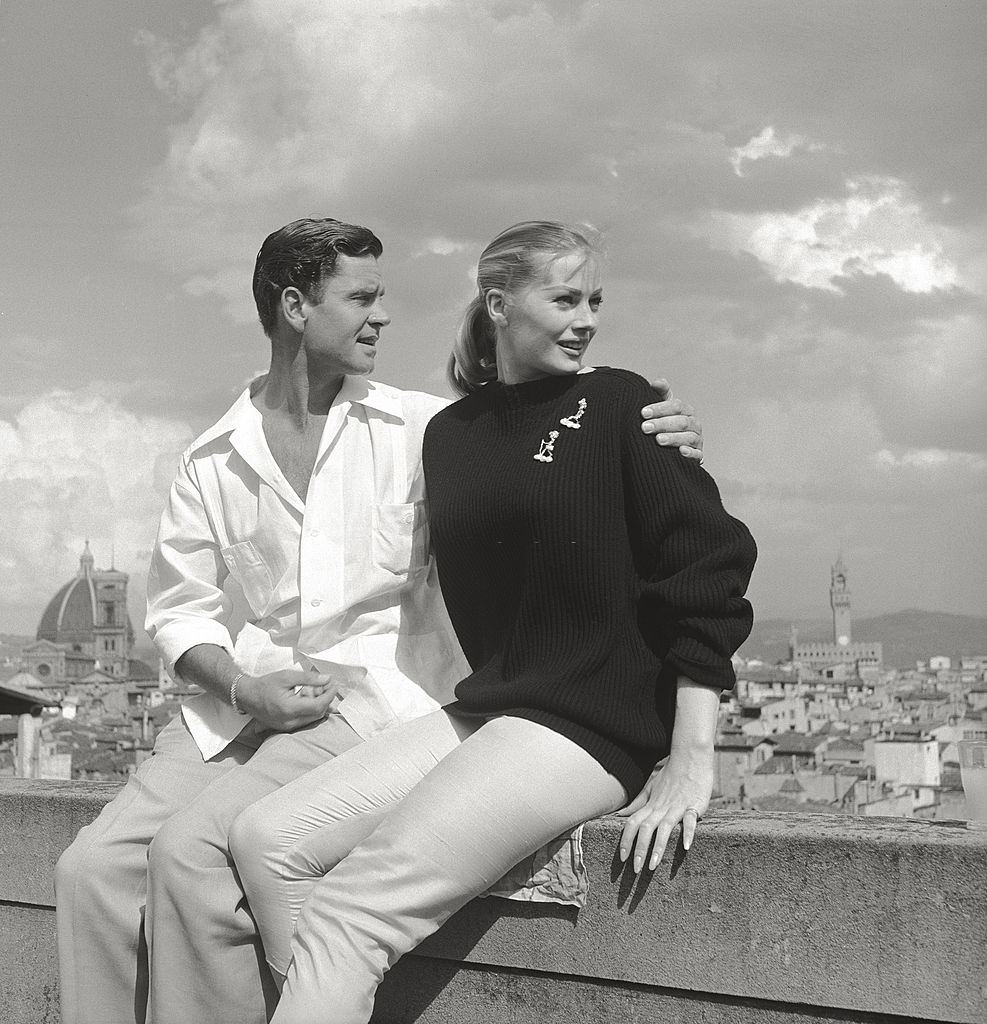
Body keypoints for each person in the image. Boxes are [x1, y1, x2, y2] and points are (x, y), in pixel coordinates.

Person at [53, 217, 705, 1024]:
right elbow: (180, 612)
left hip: (362, 703)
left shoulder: (421, 429)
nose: (383, 317)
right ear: (295, 307)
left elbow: (533, 441)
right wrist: (245, 687)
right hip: (234, 706)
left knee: (194, 856)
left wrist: (656, 431)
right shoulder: (211, 457)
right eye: (361, 297)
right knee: (87, 872)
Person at [230, 221, 757, 1024]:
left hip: (594, 723)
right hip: (492, 711)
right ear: (500, 303)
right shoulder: (449, 435)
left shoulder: (620, 402)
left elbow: (705, 568)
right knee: (266, 842)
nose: (585, 319)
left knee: (349, 916)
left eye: (594, 301)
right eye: (565, 298)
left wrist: (691, 758)